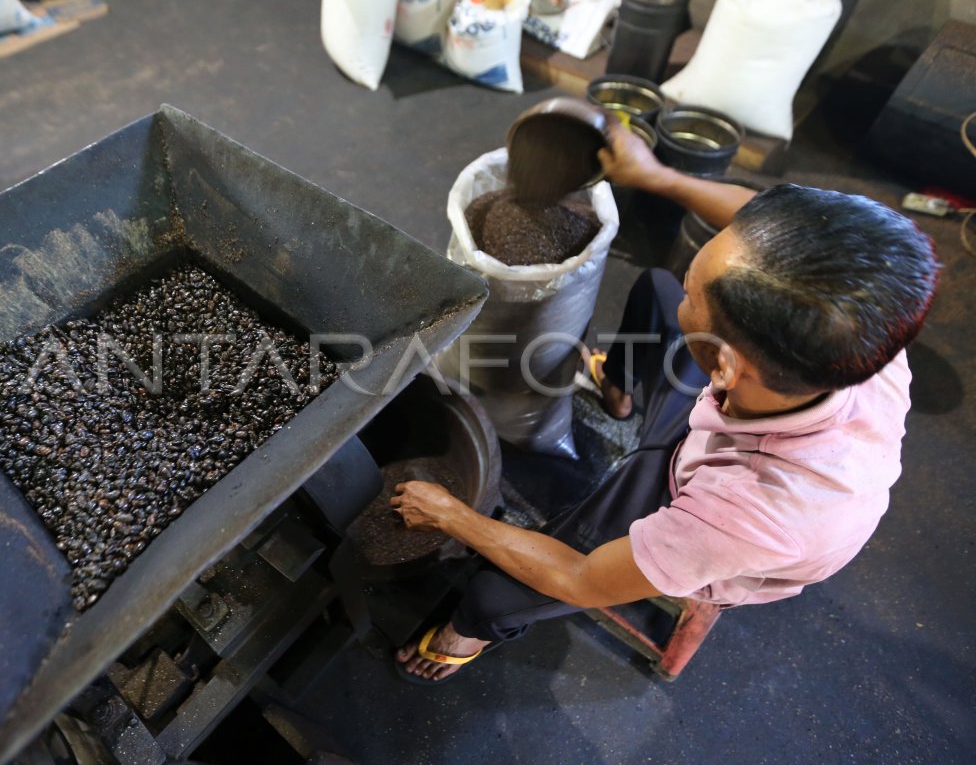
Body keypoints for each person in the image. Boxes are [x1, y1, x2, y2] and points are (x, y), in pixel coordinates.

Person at [391, 122, 941, 683]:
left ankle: (463, 640)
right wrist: (657, 176)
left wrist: (453, 516)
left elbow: (581, 577)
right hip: (726, 423)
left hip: (706, 494)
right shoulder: (856, 324)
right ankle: (620, 396)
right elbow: (756, 220)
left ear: (724, 365)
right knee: (657, 293)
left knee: (495, 593)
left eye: (696, 292)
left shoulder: (749, 512)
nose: (689, 283)